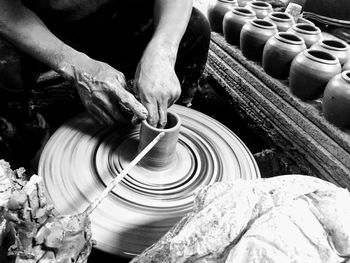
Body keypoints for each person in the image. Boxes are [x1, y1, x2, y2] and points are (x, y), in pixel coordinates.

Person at [0, 0, 210, 128]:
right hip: (36, 22)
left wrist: (162, 51)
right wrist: (76, 66)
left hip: (114, 14)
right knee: (5, 73)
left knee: (194, 29)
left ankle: (162, 117)